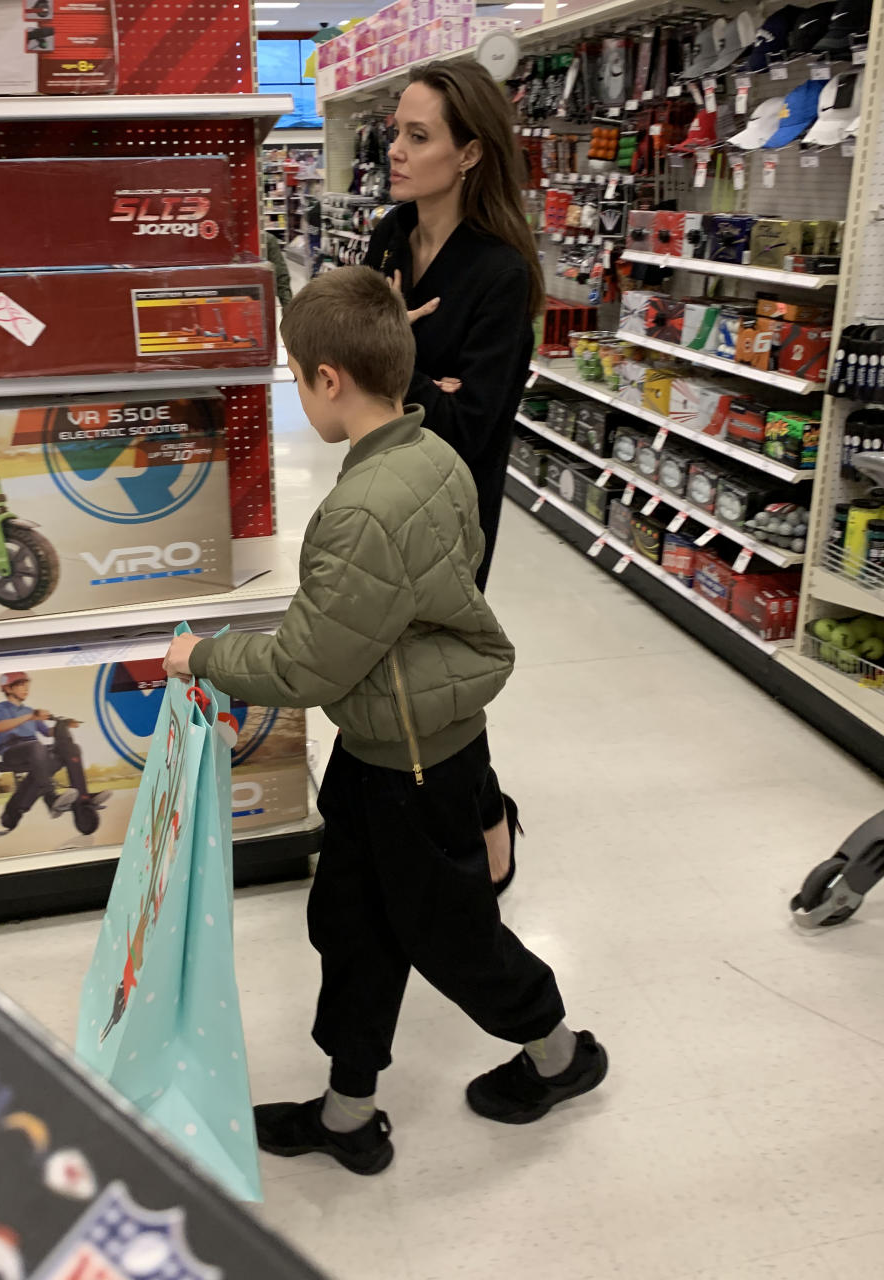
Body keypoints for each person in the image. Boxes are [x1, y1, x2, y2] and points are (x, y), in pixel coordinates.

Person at [163, 267, 606, 1176]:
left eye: (295, 373)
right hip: (384, 745)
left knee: (455, 939)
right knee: (351, 927)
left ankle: (562, 1057)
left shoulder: (363, 507)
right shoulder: (430, 452)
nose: (295, 388)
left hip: (417, 763)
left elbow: (307, 664)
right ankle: (347, 1111)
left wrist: (202, 655)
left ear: (332, 379)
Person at [364, 60, 545, 894]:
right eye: (395, 131)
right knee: (395, 661)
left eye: (418, 135)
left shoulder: (499, 274)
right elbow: (342, 359)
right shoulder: (388, 240)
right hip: (377, 489)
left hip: (454, 507)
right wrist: (415, 381)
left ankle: (485, 813)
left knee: (440, 669)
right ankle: (428, 807)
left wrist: (393, 365)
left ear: (471, 152)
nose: (395, 149)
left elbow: (473, 425)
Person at [0, 673, 109, 831]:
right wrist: (30, 717)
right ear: (7, 688)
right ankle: (50, 799)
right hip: (11, 752)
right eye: (20, 684)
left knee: (71, 749)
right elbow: (0, 726)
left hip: (35, 752)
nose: (26, 688)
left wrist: (63, 725)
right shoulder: (0, 709)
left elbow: (47, 732)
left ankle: (83, 798)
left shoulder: (29, 711)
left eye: (27, 684)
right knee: (36, 746)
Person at [263, 229, 293, 307]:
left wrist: (288, 308)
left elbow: (281, 276)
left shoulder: (266, 239)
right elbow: (281, 277)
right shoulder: (267, 239)